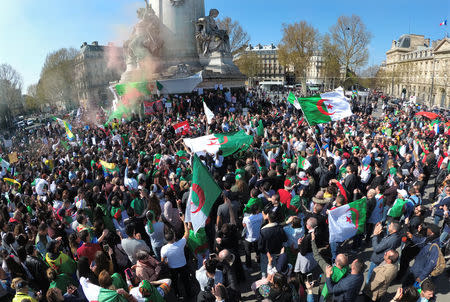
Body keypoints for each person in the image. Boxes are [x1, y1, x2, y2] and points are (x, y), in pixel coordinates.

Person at [160, 215, 193, 299]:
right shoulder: (180, 243)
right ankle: (189, 295)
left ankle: (178, 295)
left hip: (172, 268)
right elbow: (187, 233)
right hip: (183, 265)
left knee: (174, 282)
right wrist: (183, 221)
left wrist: (167, 262)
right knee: (186, 281)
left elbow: (163, 260)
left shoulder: (163, 249)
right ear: (174, 237)